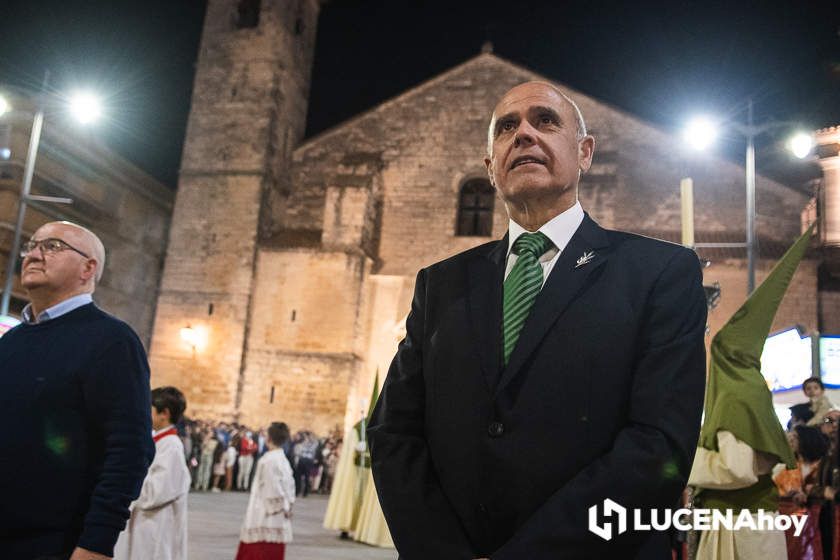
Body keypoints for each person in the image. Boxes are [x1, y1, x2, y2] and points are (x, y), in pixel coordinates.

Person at [367, 82, 708, 559]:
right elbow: (392, 431)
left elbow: (658, 446)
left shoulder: (658, 273)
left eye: (545, 121)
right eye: (507, 127)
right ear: (491, 167)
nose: (523, 133)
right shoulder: (442, 285)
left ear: (584, 153)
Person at [0, 221, 155, 560]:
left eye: (53, 246)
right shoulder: (11, 342)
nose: (34, 254)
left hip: (52, 544)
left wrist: (95, 544)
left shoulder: (111, 341)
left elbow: (129, 450)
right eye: (32, 245)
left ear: (88, 268)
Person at [114, 387, 191, 560]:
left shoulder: (172, 447)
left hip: (156, 529)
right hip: (145, 526)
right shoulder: (159, 442)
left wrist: (129, 474)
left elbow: (154, 494)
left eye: (150, 409)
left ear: (165, 413)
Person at [236, 422, 296, 560]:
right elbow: (291, 487)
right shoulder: (283, 460)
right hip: (279, 516)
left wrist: (281, 506)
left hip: (265, 515)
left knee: (259, 553)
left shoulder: (268, 460)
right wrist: (288, 505)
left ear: (268, 438)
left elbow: (272, 488)